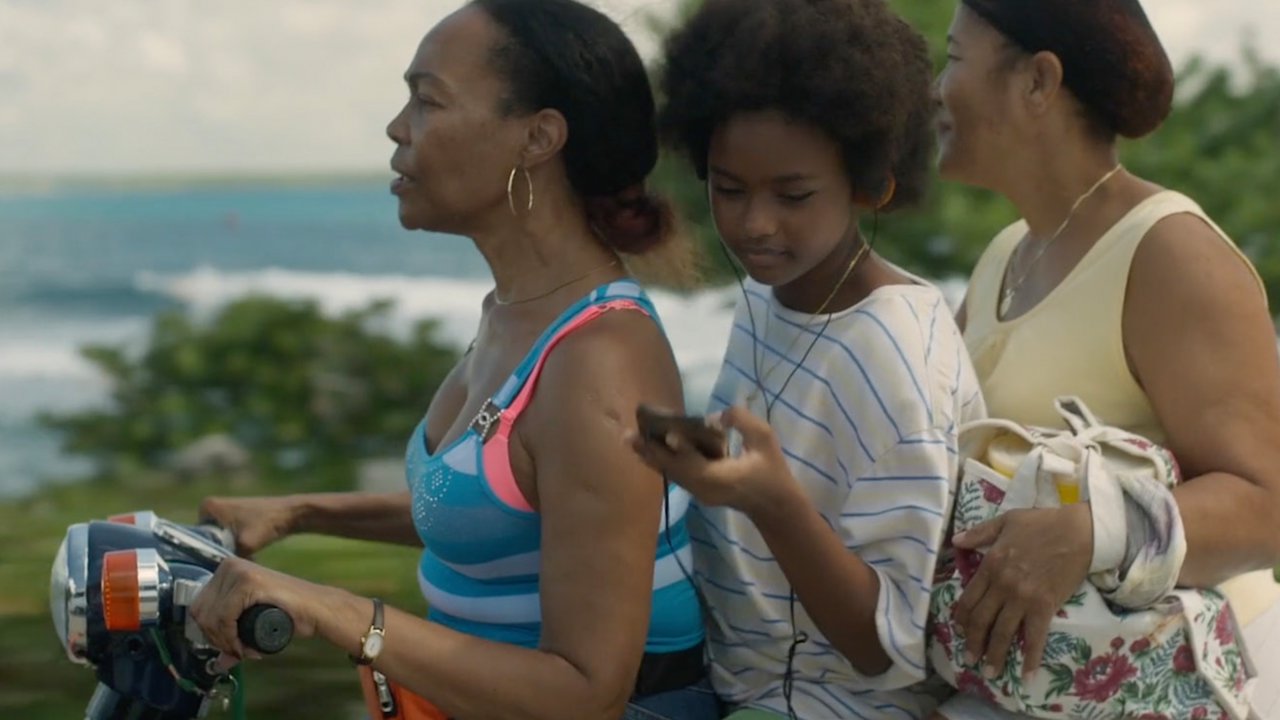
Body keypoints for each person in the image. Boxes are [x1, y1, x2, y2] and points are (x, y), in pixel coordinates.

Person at [189, 2, 721, 719]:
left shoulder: (597, 361)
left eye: (428, 100)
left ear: (538, 137)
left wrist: (336, 610)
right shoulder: (515, 311)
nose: (397, 127)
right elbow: (495, 508)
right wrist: (298, 513)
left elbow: (587, 691)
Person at [628, 1, 986, 718]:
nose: (754, 224)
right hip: (724, 672)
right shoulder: (771, 298)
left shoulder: (894, 359)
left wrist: (771, 501)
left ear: (871, 184)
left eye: (793, 195)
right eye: (728, 189)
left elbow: (886, 649)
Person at [935, 0, 1280, 717]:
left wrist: (1095, 530)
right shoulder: (1005, 254)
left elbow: (1267, 504)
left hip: (1205, 680)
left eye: (953, 59)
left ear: (1038, 81)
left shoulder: (1169, 251)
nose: (935, 91)